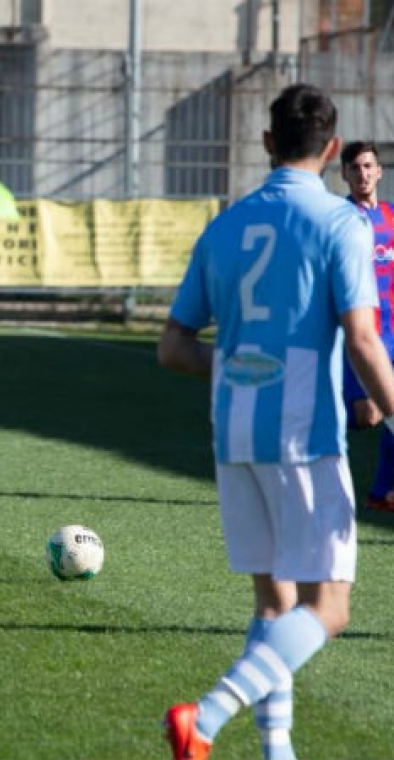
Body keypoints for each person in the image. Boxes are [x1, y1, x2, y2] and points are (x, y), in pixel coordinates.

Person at [158, 83, 394, 760]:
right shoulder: (339, 223)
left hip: (234, 430)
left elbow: (173, 349)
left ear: (266, 143)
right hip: (303, 434)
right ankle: (204, 718)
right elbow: (364, 340)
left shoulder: (225, 225)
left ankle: (277, 753)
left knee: (274, 604)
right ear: (331, 149)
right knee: (330, 609)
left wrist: (237, 364)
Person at [339, 140, 394, 510]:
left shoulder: (391, 217)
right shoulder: (338, 219)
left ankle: (380, 493)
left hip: (392, 334)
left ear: (379, 171)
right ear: (344, 173)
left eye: (368, 166)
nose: (363, 174)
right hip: (359, 337)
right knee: (367, 416)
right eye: (355, 167)